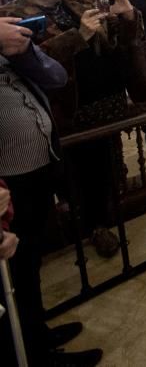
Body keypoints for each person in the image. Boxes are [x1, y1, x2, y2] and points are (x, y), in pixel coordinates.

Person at [1, 0, 141, 256]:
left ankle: (104, 216)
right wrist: (79, 35)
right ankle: (88, 226)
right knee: (75, 175)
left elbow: (122, 41)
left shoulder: (77, 3)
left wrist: (127, 14)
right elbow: (34, 65)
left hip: (106, 102)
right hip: (63, 111)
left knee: (107, 165)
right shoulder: (10, 18)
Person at [0, 18, 104, 367]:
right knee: (12, 270)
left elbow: (56, 77)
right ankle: (29, 352)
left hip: (35, 169)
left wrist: (23, 50)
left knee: (28, 260)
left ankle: (35, 333)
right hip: (6, 179)